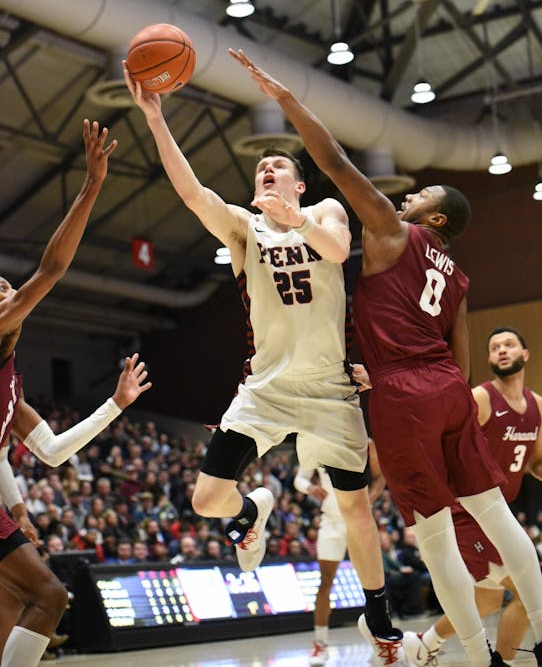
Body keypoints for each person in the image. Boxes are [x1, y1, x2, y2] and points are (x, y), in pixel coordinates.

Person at [228, 48, 542, 667]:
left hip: (403, 393)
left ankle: (475, 657)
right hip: (448, 386)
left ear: (435, 216)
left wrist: (287, 100)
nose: (407, 197)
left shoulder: (394, 232)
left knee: (434, 535)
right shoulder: (458, 276)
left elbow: (334, 162)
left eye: (419, 194)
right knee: (498, 516)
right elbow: (461, 360)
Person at [123, 63, 406, 665]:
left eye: (278, 166)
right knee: (206, 502)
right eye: (261, 168)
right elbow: (192, 194)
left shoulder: (325, 211)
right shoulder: (244, 230)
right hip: (266, 389)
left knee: (354, 506)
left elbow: (337, 250)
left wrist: (296, 220)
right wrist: (155, 119)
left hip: (330, 388)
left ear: (299, 184)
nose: (268, 170)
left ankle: (378, 613)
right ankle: (250, 512)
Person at [0, 120, 152, 667]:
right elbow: (53, 269)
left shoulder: (11, 384)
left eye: (5, 285)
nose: (7, 291)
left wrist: (116, 405)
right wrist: (91, 185)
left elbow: (52, 451)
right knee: (48, 596)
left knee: (21, 603)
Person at [406, 326, 542, 666]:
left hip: (499, 515)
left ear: (525, 355)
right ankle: (503, 663)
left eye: (509, 345)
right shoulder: (480, 398)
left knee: (487, 602)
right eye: (495, 347)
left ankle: (424, 644)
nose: (502, 350)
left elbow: (535, 463)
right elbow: (442, 445)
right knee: (527, 593)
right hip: (465, 513)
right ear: (489, 358)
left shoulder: (538, 406)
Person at [294, 436, 385, 665]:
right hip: (332, 522)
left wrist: (370, 500)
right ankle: (320, 643)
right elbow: (299, 479)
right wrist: (310, 487)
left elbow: (380, 477)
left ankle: (382, 640)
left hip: (359, 519)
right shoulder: (315, 441)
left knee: (373, 584)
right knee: (325, 581)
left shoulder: (365, 442)